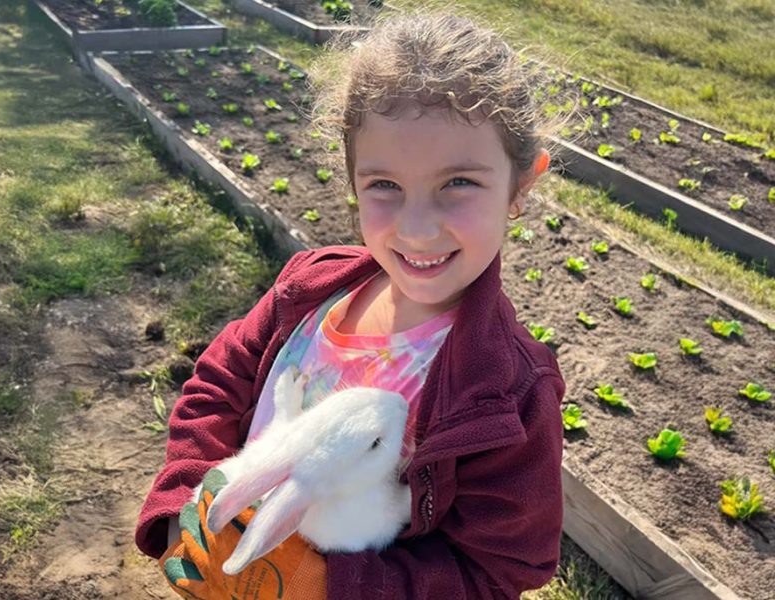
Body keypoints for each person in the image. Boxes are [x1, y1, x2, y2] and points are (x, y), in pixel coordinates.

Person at [136, 9, 567, 600]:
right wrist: (183, 507)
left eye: (458, 183)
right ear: (353, 178)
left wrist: (326, 587)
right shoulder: (308, 291)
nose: (416, 229)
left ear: (522, 183)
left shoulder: (509, 390)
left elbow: (496, 572)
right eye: (384, 185)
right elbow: (216, 386)